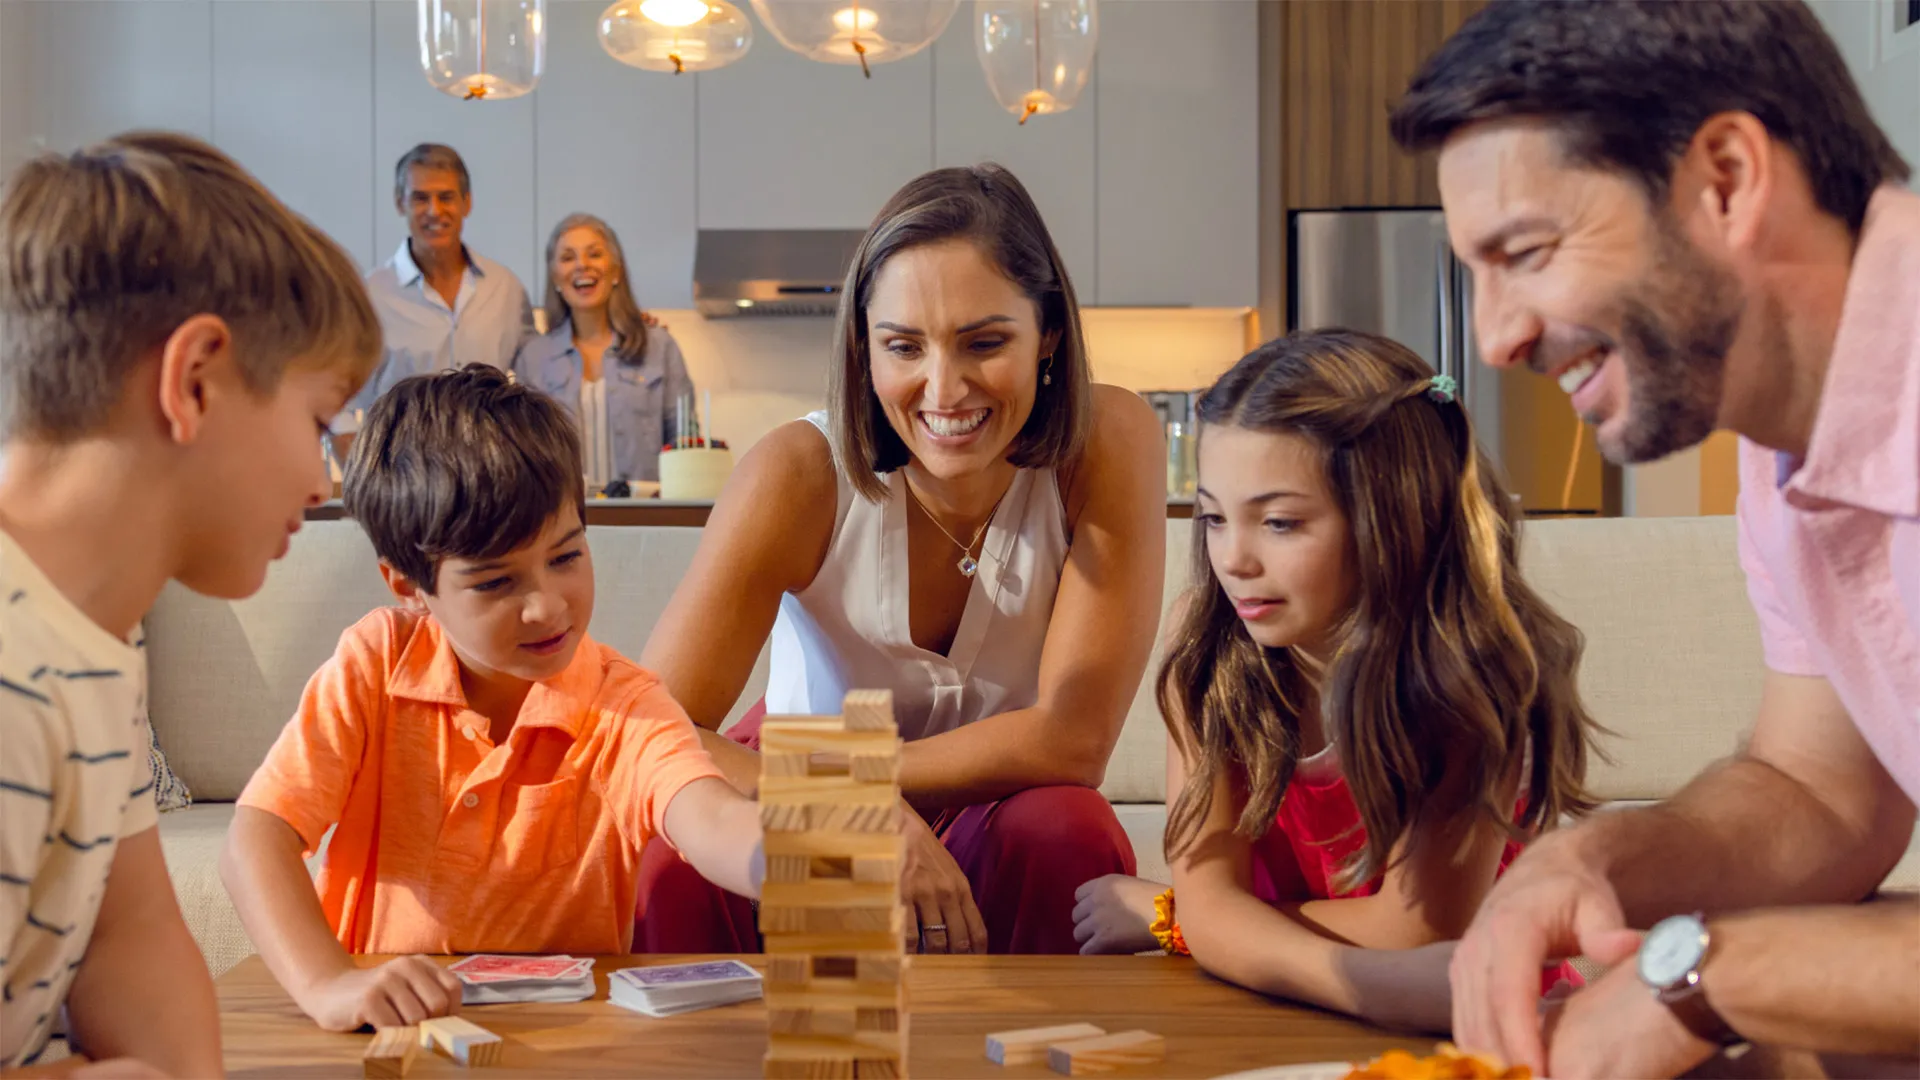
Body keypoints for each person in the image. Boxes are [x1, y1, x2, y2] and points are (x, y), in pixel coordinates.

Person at [1388, 2, 1920, 1076]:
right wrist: (1581, 863)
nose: (1494, 339)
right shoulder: (1783, 461)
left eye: (1526, 251)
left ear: (1725, 177)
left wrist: (1704, 976)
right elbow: (1820, 793)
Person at [633, 163, 1167, 956]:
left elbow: (1073, 740)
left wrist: (865, 782)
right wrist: (846, 801)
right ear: (863, 347)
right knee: (673, 865)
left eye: (985, 342)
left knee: (1066, 833)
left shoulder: (1110, 441)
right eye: (904, 346)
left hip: (1003, 790)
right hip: (800, 771)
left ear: (1049, 333)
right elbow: (653, 726)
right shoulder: (797, 474)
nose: (943, 389)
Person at [1069, 331, 1597, 1031]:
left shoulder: (1468, 677)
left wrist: (1174, 918)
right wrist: (1202, 919)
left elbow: (1417, 933)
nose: (1233, 559)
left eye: (1280, 522)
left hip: (1482, 1026)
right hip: (1296, 1006)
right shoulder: (1207, 649)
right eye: (1213, 518)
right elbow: (1223, 910)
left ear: (1393, 515)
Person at [220, 366, 764, 1033]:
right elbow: (257, 837)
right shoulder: (376, 662)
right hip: (387, 1028)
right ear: (406, 583)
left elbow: (709, 819)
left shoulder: (625, 703)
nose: (545, 606)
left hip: (567, 1041)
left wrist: (802, 855)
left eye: (565, 557)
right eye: (495, 582)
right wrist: (328, 984)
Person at [0, 131, 380, 1075]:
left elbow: (132, 940)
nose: (322, 479)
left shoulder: (95, 639)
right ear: (194, 379)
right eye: (318, 423)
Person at [332, 144, 533, 459]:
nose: (435, 211)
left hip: (491, 475)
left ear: (467, 203)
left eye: (446, 197)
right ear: (401, 203)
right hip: (403, 478)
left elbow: (534, 382)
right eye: (420, 198)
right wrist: (359, 471)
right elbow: (334, 393)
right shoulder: (368, 295)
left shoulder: (505, 289)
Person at [512, 213, 695, 488]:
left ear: (616, 269)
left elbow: (685, 448)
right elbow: (524, 459)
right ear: (555, 277)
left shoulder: (659, 347)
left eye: (594, 254)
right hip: (563, 521)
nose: (582, 265)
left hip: (645, 519)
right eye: (567, 257)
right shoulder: (533, 358)